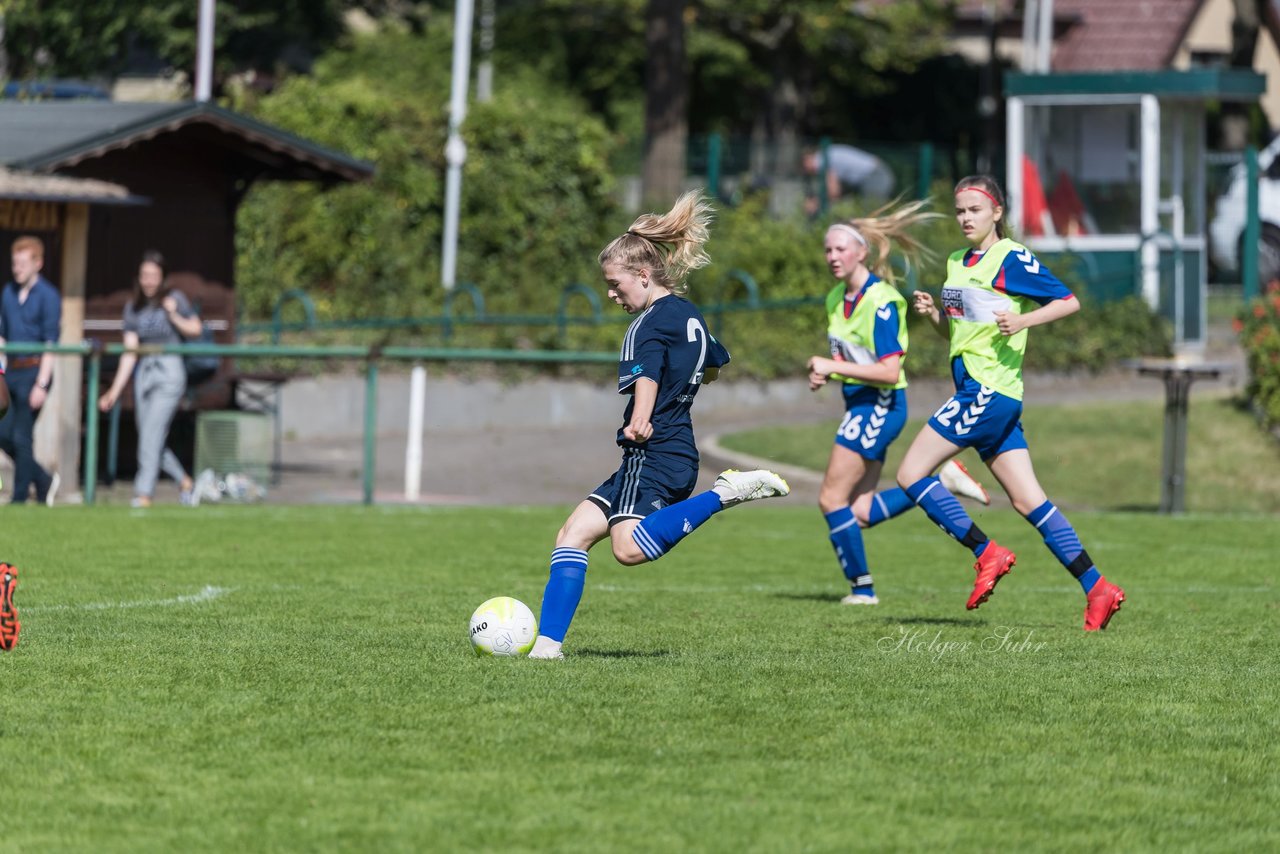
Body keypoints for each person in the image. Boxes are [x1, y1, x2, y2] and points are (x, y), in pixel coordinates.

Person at [528, 191, 791, 660]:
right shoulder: (689, 315)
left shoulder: (645, 325)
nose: (611, 293)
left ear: (643, 276)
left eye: (615, 284)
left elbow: (646, 372)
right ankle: (547, 647)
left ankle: (726, 492)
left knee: (627, 549)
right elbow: (715, 363)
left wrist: (643, 419)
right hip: (676, 446)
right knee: (573, 533)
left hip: (653, 449)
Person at [894, 175, 1126, 631]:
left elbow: (1068, 301)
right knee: (1028, 502)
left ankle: (987, 552)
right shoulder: (957, 261)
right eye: (960, 210)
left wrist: (1023, 320)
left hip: (986, 391)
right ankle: (1097, 588)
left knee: (909, 474)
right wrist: (935, 317)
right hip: (989, 395)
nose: (965, 218)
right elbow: (961, 332)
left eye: (974, 210)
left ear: (997, 213)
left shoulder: (1010, 258)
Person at [806, 201, 990, 606]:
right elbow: (856, 362)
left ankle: (863, 590)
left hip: (880, 406)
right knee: (861, 512)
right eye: (828, 250)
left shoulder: (883, 300)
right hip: (860, 405)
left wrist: (831, 364)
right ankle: (940, 482)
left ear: (862, 253)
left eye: (840, 249)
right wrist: (829, 372)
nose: (833, 257)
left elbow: (890, 371)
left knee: (830, 500)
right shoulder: (837, 296)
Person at [97, 250, 202, 508]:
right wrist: (114, 390)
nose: (149, 281)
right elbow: (130, 352)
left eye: (154, 275)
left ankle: (144, 494)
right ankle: (185, 482)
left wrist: (174, 315)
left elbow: (196, 330)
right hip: (145, 373)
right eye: (145, 275)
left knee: (150, 436)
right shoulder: (133, 307)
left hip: (169, 371)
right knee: (150, 436)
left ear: (162, 277)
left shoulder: (175, 299)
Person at [0, 235, 62, 506]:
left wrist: (42, 384)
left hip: (35, 371)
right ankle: (44, 479)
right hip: (11, 370)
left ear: (38, 263)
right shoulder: (8, 293)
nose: (17, 269)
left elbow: (51, 343)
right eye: (15, 263)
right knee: (3, 433)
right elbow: (2, 337)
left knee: (21, 436)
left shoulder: (48, 296)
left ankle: (20, 497)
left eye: (23, 263)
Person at [803, 144, 896, 215]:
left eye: (805, 166)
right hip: (876, 173)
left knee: (871, 215)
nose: (807, 171)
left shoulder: (820, 160)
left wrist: (815, 203)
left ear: (808, 158)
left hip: (875, 176)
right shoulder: (827, 152)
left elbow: (834, 191)